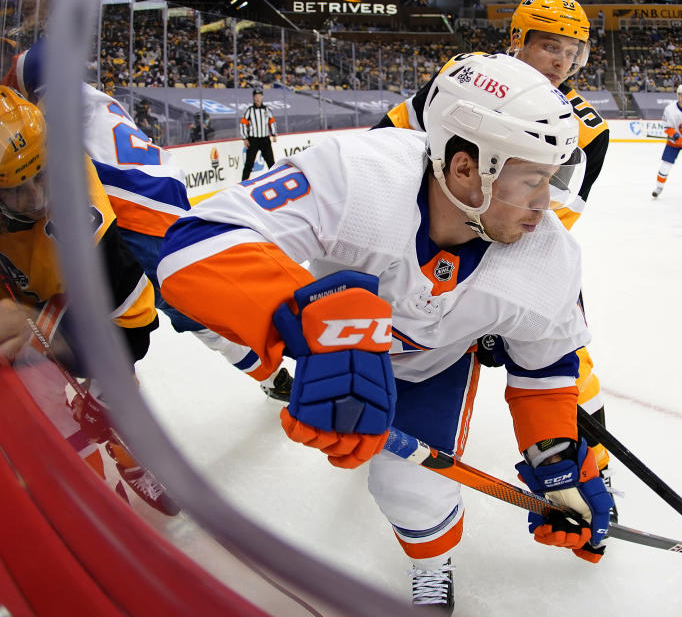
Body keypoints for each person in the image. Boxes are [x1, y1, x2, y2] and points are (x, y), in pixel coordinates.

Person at [158, 54, 614, 612]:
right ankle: (263, 367)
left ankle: (432, 564)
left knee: (408, 490)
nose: (546, 206)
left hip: (431, 366)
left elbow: (545, 365)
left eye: (552, 179)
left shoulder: (549, 256)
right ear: (467, 168)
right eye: (533, 181)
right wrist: (306, 323)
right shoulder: (359, 174)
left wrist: (556, 460)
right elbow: (195, 245)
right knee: (202, 312)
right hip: (324, 343)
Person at [372, 0, 618, 520]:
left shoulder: (587, 128)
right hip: (428, 238)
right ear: (517, 40)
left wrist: (494, 293)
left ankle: (591, 466)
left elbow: (546, 219)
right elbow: (387, 141)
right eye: (550, 45)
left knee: (570, 362)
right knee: (393, 336)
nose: (562, 61)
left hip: (515, 252)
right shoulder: (464, 78)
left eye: (573, 51)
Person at [2, 40, 292, 401]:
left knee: (115, 310)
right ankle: (271, 373)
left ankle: (113, 398)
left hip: (137, 217)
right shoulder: (86, 97)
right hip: (164, 198)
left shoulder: (39, 102)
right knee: (197, 314)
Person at [0, 85, 179, 515]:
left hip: (75, 302)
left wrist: (49, 334)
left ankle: (127, 443)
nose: (39, 198)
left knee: (110, 387)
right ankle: (95, 497)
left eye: (43, 175)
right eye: (17, 189)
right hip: (26, 299)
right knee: (37, 402)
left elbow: (132, 325)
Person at [240, 86, 277, 181]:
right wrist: (245, 138)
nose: (257, 98)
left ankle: (276, 180)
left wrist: (274, 134)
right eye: (256, 96)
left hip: (265, 139)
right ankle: (243, 184)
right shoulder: (250, 110)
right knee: (249, 163)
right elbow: (243, 124)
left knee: (271, 162)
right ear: (253, 97)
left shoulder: (266, 110)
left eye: (259, 96)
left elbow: (271, 122)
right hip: (253, 139)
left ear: (262, 97)